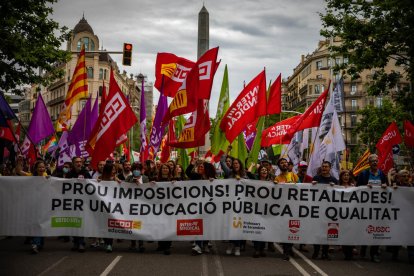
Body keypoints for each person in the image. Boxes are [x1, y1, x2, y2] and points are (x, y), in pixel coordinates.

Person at [356, 154, 388, 263]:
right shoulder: (364, 174)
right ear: (369, 163)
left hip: (378, 209)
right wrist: (365, 186)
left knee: (377, 231)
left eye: (376, 161)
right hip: (366, 208)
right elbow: (357, 188)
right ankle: (364, 248)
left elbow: (387, 187)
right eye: (372, 161)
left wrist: (385, 186)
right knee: (366, 229)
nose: (374, 162)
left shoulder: (382, 174)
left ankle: (374, 253)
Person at [16, 159, 49, 254]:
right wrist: (19, 162)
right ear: (36, 168)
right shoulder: (31, 176)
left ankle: (38, 243)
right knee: (37, 224)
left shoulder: (47, 176)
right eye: (40, 167)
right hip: (33, 205)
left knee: (40, 224)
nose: (42, 168)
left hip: (43, 205)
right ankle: (36, 243)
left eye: (43, 167)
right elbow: (19, 171)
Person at [186, 158, 216, 255]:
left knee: (207, 226)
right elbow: (188, 173)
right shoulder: (196, 177)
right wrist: (192, 164)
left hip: (209, 207)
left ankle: (206, 244)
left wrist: (213, 181)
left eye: (202, 167)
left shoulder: (212, 179)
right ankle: (198, 245)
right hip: (198, 207)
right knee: (199, 225)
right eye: (199, 167)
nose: (200, 168)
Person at [311, 161, 338, 261]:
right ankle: (316, 252)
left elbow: (338, 194)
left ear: (330, 168)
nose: (324, 168)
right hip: (318, 210)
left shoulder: (334, 180)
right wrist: (312, 185)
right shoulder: (316, 179)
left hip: (329, 210)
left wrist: (334, 187)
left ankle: (325, 253)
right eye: (323, 166)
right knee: (317, 232)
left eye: (326, 166)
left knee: (327, 232)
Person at [65, 156, 91, 253]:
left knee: (81, 223)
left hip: (82, 203)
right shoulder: (69, 174)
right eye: (76, 162)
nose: (79, 163)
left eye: (80, 162)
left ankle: (81, 243)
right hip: (72, 203)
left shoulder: (85, 173)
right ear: (73, 163)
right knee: (74, 222)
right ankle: (75, 242)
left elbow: (91, 184)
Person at [247, 163, 272, 257]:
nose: (264, 171)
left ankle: (262, 249)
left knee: (264, 229)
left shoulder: (270, 181)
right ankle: (257, 249)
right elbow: (248, 173)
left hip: (267, 209)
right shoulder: (255, 180)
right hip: (256, 208)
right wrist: (252, 165)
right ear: (259, 172)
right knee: (257, 229)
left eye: (266, 170)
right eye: (262, 170)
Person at [156, 164, 174, 255]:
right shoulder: (156, 179)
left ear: (169, 170)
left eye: (167, 168)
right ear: (161, 170)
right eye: (163, 168)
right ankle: (160, 244)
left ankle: (167, 246)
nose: (165, 169)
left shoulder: (173, 180)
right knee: (160, 225)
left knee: (168, 226)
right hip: (159, 207)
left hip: (170, 207)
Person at [338, 170, 356, 260]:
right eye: (344, 175)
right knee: (344, 233)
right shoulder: (337, 187)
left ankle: (350, 251)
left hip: (351, 213)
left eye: (347, 175)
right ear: (341, 177)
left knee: (350, 232)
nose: (346, 177)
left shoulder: (353, 187)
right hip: (341, 214)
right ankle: (346, 252)